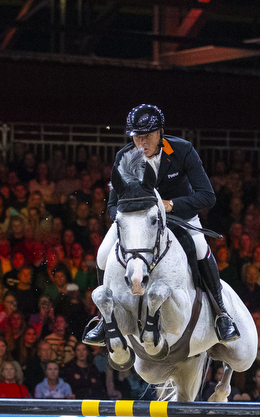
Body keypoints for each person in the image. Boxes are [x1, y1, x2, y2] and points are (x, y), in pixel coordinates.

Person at [84, 103, 238, 346]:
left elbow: (207, 196)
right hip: (138, 222)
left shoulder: (182, 150)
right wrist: (127, 216)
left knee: (199, 247)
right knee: (103, 254)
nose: (141, 143)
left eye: (147, 136)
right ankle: (104, 320)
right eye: (137, 137)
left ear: (160, 132)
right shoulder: (124, 157)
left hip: (179, 216)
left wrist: (171, 205)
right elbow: (113, 205)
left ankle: (222, 314)